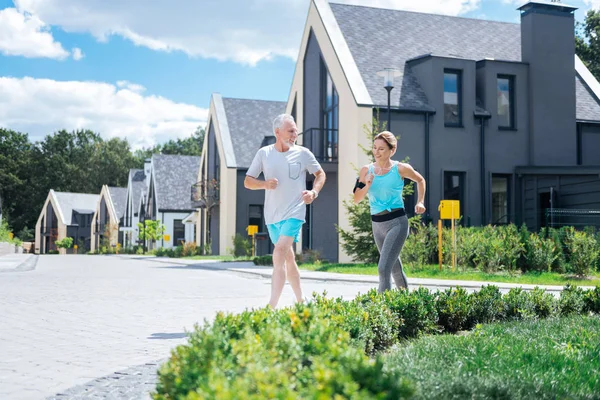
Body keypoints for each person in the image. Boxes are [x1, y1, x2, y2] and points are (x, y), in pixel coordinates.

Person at [245, 114, 326, 308]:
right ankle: (301, 300)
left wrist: (314, 192)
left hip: (295, 211)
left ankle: (271, 306)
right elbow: (248, 181)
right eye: (290, 131)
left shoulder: (303, 153)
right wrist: (265, 184)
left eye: (296, 131)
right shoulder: (264, 154)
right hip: (272, 215)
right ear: (277, 132)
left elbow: (320, 174)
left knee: (279, 251)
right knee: (288, 256)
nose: (294, 135)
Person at [353, 131, 426, 292]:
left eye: (381, 149)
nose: (376, 152)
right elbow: (356, 198)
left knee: (383, 268)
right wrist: (367, 185)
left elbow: (420, 180)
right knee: (394, 268)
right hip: (377, 224)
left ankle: (381, 311)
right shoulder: (366, 171)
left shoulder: (400, 169)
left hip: (397, 222)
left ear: (392, 151)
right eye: (375, 148)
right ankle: (407, 305)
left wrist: (420, 201)